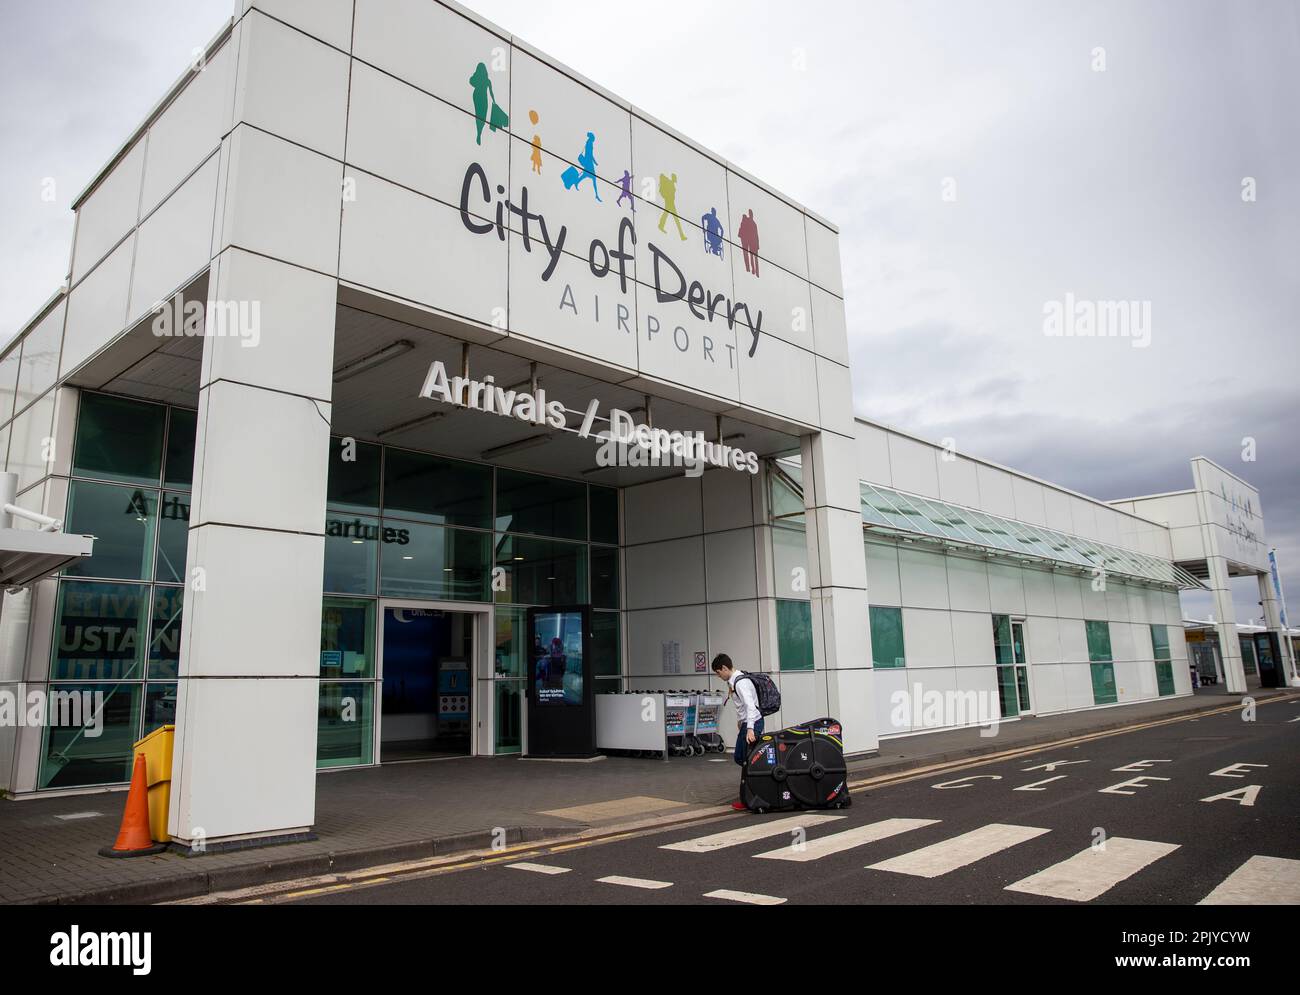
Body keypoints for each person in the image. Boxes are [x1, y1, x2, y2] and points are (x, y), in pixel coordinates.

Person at [711, 653, 762, 811]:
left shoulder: (740, 683)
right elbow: (743, 707)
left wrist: (750, 729)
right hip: (747, 723)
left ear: (725, 668)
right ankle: (750, 796)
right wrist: (741, 722)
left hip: (752, 724)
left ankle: (752, 797)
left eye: (719, 673)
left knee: (745, 759)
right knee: (744, 759)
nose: (719, 676)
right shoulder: (736, 681)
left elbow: (751, 706)